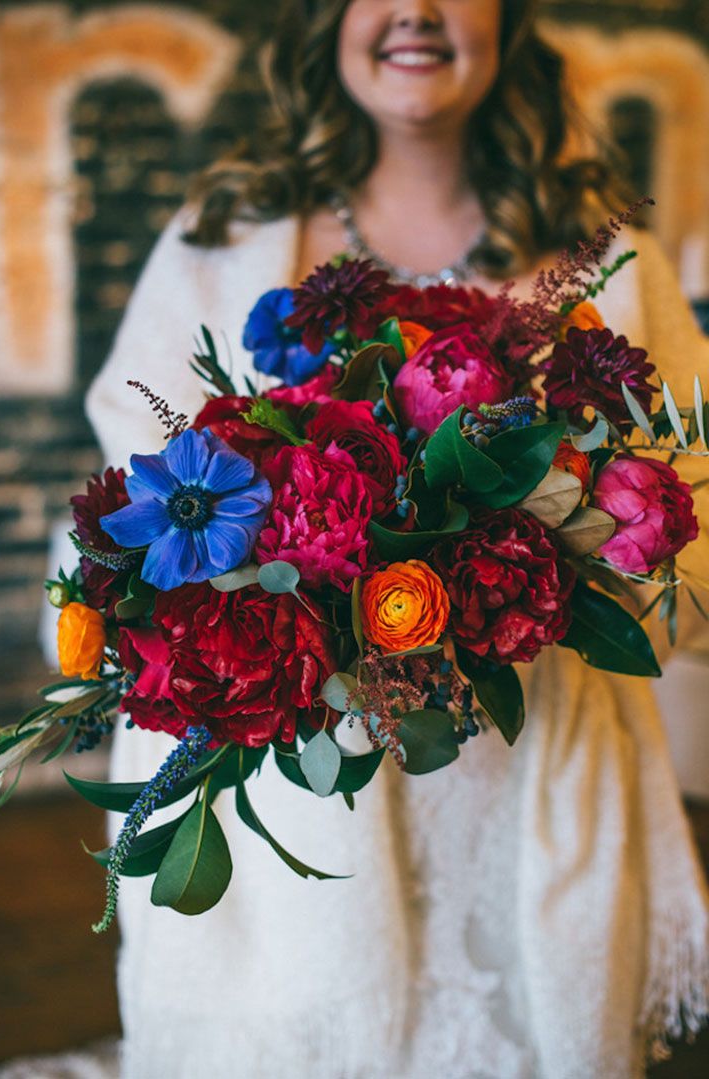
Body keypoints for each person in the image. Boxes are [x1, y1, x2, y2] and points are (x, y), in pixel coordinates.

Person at [86, 2, 709, 1076]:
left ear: (507, 20)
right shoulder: (229, 234)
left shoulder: (605, 251)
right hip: (304, 780)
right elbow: (135, 497)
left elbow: (687, 498)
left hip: (525, 773)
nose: (415, 9)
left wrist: (558, 547)